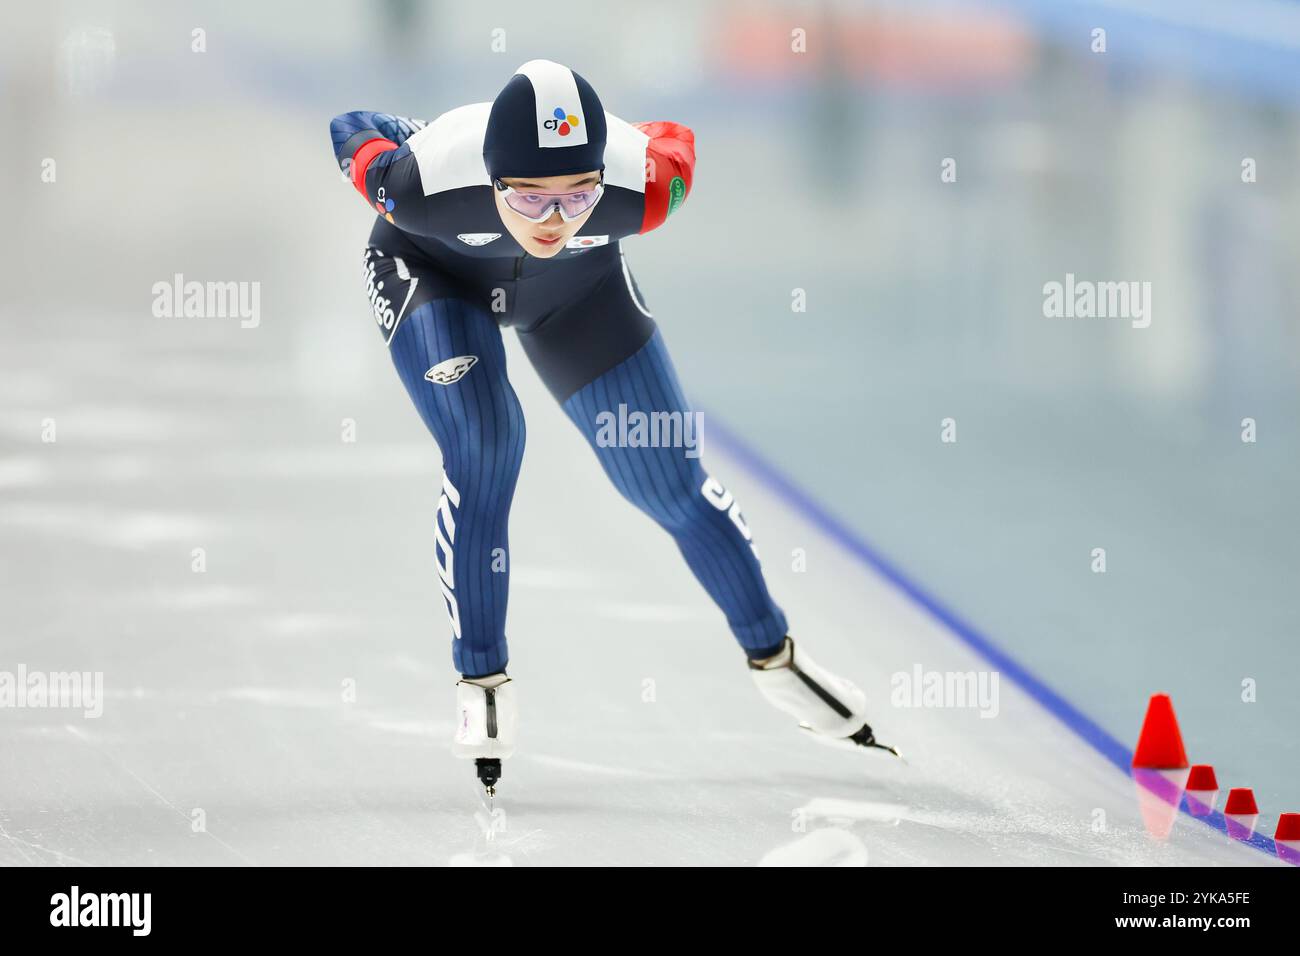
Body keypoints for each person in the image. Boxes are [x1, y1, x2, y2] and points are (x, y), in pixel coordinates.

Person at [330, 60, 893, 796]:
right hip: (436, 278)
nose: (556, 220)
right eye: (529, 198)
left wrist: (595, 178)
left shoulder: (650, 187)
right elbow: (352, 129)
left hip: (576, 297)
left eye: (578, 196)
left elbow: (671, 137)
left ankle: (775, 657)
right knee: (487, 444)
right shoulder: (417, 187)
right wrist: (417, 134)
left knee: (668, 480)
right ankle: (482, 675)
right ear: (492, 178)